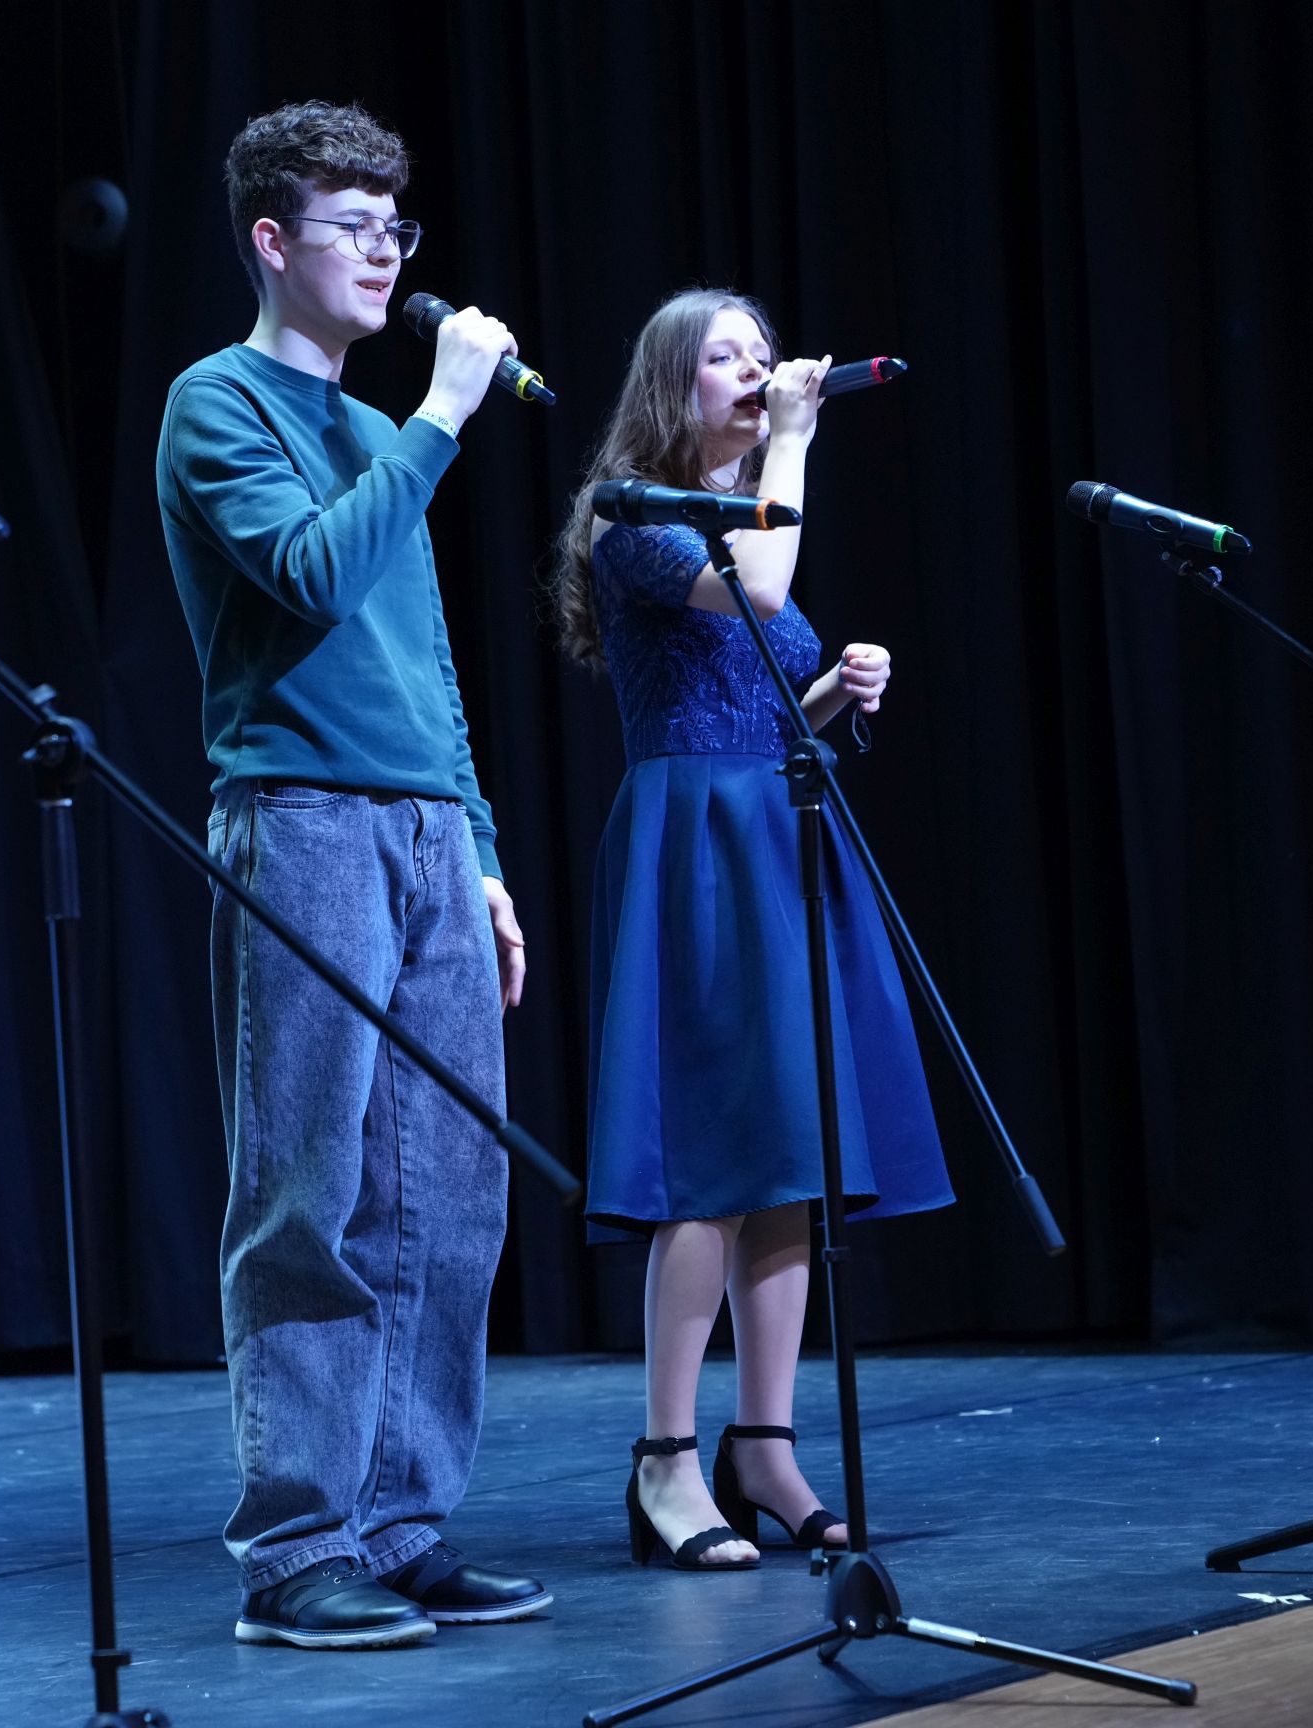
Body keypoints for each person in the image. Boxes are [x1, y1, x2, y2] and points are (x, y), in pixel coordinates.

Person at [155, 100, 548, 1649]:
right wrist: (444, 414)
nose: (387, 253)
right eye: (354, 226)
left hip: (427, 832)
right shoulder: (218, 403)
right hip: (303, 820)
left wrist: (484, 852)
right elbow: (312, 575)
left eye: (399, 226)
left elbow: (426, 666)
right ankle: (299, 1547)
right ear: (273, 241)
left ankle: (400, 1521)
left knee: (446, 1191)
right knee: (309, 1190)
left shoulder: (387, 437)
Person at [550, 288, 955, 1571]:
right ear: (672, 384)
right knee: (708, 1164)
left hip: (778, 834)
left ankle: (765, 1449)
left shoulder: (743, 515)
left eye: (764, 356)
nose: (758, 371)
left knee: (791, 1157)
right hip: (695, 847)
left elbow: (769, 711)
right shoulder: (635, 519)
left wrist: (838, 694)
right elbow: (765, 588)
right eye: (725, 357)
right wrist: (794, 437)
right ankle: (666, 1460)